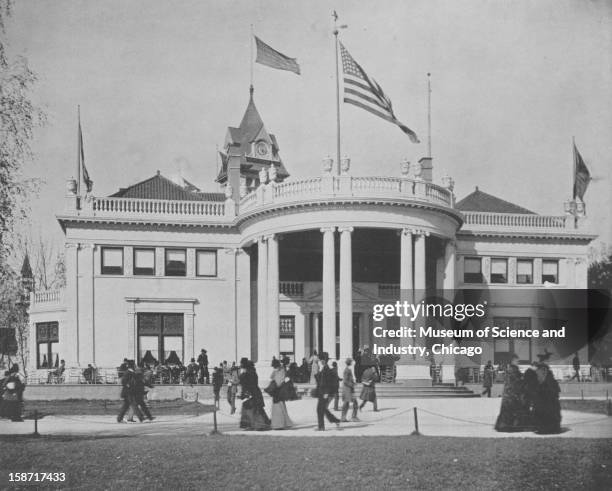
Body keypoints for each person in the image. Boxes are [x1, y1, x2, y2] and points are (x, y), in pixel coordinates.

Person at [495, 354, 525, 432]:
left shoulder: (512, 369)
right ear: (512, 361)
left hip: (509, 394)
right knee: (509, 411)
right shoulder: (513, 370)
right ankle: (506, 426)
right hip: (511, 394)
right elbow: (515, 382)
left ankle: (503, 425)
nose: (518, 362)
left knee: (507, 411)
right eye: (516, 360)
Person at [238, 358, 270, 430]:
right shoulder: (251, 372)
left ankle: (260, 425)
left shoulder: (249, 373)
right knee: (252, 408)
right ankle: (252, 424)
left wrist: (248, 393)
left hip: (251, 392)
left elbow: (248, 383)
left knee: (253, 409)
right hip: (252, 392)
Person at [314, 352, 341, 431]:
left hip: (324, 392)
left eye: (320, 360)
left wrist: (326, 392)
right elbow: (320, 379)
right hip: (322, 391)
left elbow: (327, 382)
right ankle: (335, 420)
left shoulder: (326, 368)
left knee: (320, 409)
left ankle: (321, 427)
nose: (320, 361)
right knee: (323, 409)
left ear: (323, 360)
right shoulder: (324, 368)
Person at [533, 363, 561, 434]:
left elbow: (554, 390)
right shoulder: (547, 376)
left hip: (547, 401)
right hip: (547, 401)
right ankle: (548, 428)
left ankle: (546, 428)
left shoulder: (546, 377)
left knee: (546, 413)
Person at [269, 359, 293, 429]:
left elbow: (280, 381)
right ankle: (278, 423)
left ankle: (280, 424)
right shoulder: (277, 370)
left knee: (280, 407)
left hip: (279, 391)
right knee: (278, 407)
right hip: (276, 391)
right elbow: (271, 377)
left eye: (275, 367)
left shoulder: (282, 370)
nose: (274, 368)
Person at [341, 358, 359, 422]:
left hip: (349, 389)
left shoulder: (348, 369)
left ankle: (344, 418)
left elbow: (348, 380)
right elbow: (345, 381)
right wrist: (352, 384)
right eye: (352, 362)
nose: (353, 363)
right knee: (352, 403)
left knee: (347, 404)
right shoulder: (347, 370)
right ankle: (353, 417)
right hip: (348, 390)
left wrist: (353, 383)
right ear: (350, 362)